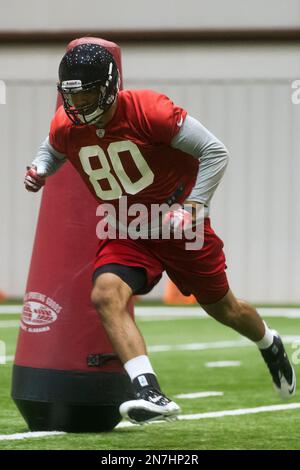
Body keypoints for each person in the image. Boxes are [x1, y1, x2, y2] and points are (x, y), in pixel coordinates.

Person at [24, 43, 296, 425]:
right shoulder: (68, 124)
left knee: (225, 309)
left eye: (86, 92)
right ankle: (149, 392)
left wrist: (195, 205)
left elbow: (214, 151)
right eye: (71, 94)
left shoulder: (148, 110)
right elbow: (52, 147)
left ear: (108, 86)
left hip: (178, 227)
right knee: (105, 294)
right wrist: (39, 168)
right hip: (125, 230)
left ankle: (268, 341)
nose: (78, 103)